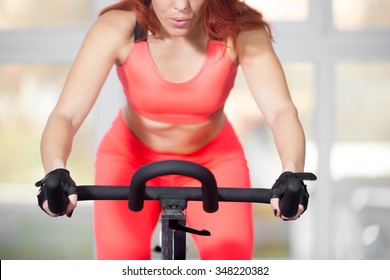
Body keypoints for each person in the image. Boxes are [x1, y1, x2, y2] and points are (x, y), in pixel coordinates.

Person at [35, 0, 315, 260]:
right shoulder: (119, 28)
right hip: (129, 159)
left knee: (231, 265)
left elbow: (280, 111)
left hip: (215, 160)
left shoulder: (240, 30)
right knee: (119, 265)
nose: (181, 7)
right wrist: (55, 170)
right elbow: (66, 115)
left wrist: (291, 172)